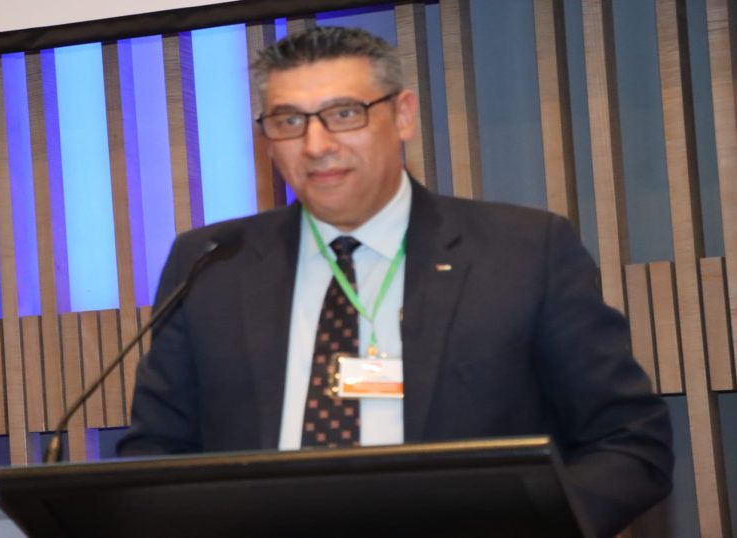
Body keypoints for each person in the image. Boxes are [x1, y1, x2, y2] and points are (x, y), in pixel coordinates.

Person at [117, 26, 672, 536]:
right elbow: (155, 453)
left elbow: (628, 441)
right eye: (288, 121)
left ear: (402, 115)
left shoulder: (524, 253)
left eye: (344, 114)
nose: (315, 145)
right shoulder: (211, 263)